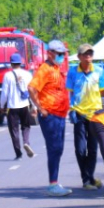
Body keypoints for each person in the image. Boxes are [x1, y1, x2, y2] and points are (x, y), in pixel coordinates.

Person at [28, 39, 72, 197]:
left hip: (60, 115)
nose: (62, 57)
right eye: (59, 54)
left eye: (63, 54)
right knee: (54, 148)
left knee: (58, 148)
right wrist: (40, 108)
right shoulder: (45, 69)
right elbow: (32, 88)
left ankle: (55, 181)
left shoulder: (56, 69)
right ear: (50, 53)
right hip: (50, 115)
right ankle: (53, 184)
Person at [66, 43, 104, 190]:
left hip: (95, 114)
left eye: (90, 53)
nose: (88, 56)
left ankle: (88, 179)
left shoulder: (99, 71)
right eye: (85, 54)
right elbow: (70, 92)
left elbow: (103, 92)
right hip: (78, 113)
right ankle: (87, 178)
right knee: (80, 149)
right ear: (79, 57)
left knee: (92, 148)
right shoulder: (72, 72)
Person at [0, 52, 35, 160]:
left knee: (14, 130)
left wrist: (1, 105)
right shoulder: (28, 74)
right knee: (26, 126)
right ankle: (26, 142)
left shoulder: (7, 75)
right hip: (25, 105)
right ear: (21, 62)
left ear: (11, 63)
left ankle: (18, 153)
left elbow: (4, 93)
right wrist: (34, 106)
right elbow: (32, 91)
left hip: (12, 107)